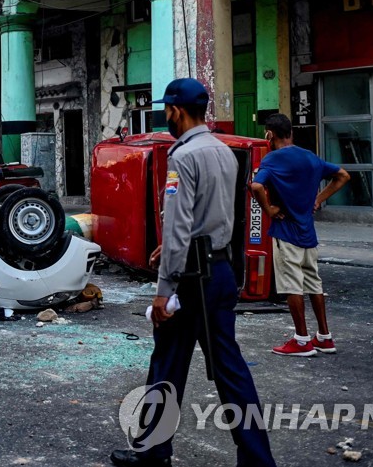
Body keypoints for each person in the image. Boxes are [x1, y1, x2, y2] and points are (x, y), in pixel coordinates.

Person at [112, 78, 276, 467]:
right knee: (228, 370)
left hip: (189, 279)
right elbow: (214, 217)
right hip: (218, 270)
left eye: (166, 110)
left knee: (168, 363)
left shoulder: (182, 157)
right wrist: (171, 248)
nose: (165, 116)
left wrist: (162, 289)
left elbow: (179, 223)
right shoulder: (223, 151)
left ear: (176, 111)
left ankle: (153, 451)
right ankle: (257, 459)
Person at [249, 113, 350, 357]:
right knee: (314, 283)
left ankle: (302, 339)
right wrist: (318, 198)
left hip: (286, 234)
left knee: (292, 286)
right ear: (291, 132)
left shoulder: (272, 159)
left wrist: (270, 209)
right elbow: (343, 176)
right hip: (308, 233)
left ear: (269, 135)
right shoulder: (310, 157)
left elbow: (256, 186)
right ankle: (324, 337)